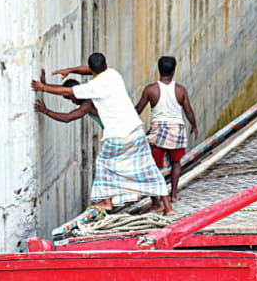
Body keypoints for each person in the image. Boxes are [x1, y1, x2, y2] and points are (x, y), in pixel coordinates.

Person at [32, 52, 169, 213]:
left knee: (103, 163)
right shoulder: (113, 74)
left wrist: (44, 98)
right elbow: (78, 81)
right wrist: (69, 71)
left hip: (119, 135)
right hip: (136, 130)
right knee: (146, 167)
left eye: (71, 99)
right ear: (105, 66)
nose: (73, 102)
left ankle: (106, 201)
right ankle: (164, 206)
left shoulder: (89, 96)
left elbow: (68, 110)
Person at [135, 56, 198, 207]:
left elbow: (138, 109)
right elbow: (188, 111)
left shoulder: (151, 89)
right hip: (176, 131)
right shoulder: (180, 90)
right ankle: (174, 195)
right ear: (173, 71)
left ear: (159, 69)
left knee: (153, 167)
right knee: (176, 163)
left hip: (158, 132)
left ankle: (156, 201)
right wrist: (194, 125)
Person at [33, 73, 103, 129]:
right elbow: (64, 90)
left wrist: (46, 111)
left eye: (71, 98)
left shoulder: (88, 103)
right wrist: (46, 86)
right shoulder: (84, 90)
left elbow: (67, 118)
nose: (73, 102)